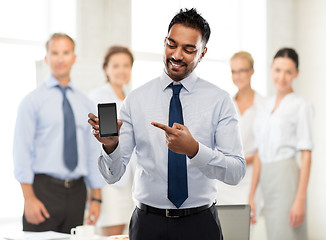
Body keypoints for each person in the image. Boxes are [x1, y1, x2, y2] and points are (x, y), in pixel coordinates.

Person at [88, 8, 246, 240]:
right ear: (164, 42)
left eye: (189, 49)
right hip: (148, 225)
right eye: (171, 44)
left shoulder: (219, 100)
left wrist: (194, 150)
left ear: (202, 53)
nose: (177, 55)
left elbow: (236, 172)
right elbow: (113, 175)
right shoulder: (136, 99)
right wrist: (111, 146)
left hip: (201, 224)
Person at [13, 33, 104, 234]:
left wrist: (96, 198)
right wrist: (29, 198)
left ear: (74, 57)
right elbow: (21, 151)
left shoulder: (85, 104)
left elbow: (91, 152)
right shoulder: (32, 101)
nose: (60, 59)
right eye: (55, 53)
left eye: (66, 52)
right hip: (43, 191)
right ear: (47, 58)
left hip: (77, 193)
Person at [251, 48, 313, 240]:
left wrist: (300, 199)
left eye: (288, 71)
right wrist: (252, 195)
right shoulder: (263, 106)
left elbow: (306, 154)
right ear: (271, 69)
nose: (282, 77)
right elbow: (260, 152)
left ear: (296, 73)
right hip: (266, 179)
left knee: (288, 234)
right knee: (274, 233)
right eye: (278, 70)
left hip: (287, 178)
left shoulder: (301, 106)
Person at [88, 46, 135, 236]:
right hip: (109, 183)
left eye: (126, 65)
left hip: (131, 179)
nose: (121, 70)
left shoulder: (131, 97)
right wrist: (95, 193)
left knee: (128, 233)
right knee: (112, 232)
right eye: (116, 66)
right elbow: (92, 146)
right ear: (106, 69)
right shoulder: (96, 97)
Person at [216, 51, 263, 233]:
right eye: (234, 71)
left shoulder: (263, 105)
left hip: (251, 178)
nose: (237, 76)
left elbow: (260, 152)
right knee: (224, 230)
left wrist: (252, 194)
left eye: (242, 70)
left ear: (252, 71)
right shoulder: (225, 104)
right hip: (225, 180)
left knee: (247, 229)